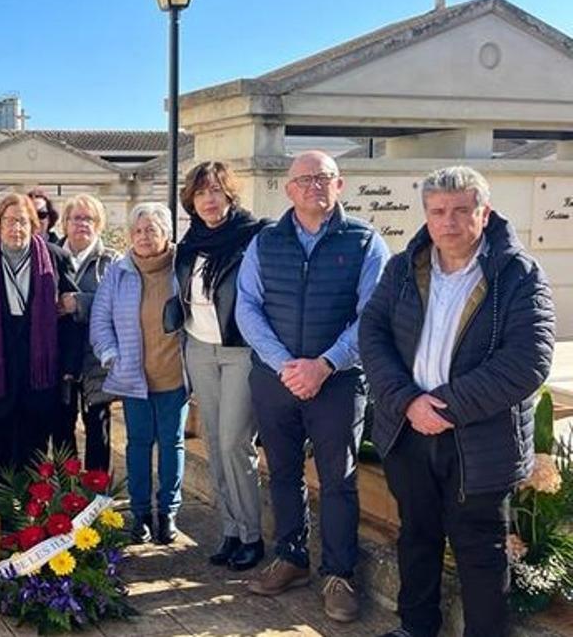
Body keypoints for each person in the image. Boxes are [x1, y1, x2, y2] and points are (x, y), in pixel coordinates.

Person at [360, 167, 555, 637]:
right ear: (426, 215)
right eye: (437, 212)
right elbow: (373, 333)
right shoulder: (405, 267)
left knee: (480, 551)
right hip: (409, 432)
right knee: (417, 536)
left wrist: (441, 408)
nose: (448, 222)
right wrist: (408, 403)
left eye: (461, 210)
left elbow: (529, 359)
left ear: (483, 213)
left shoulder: (518, 275)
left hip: (479, 440)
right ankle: (415, 627)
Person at [235, 150, 390, 622]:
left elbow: (372, 316)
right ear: (289, 189)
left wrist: (324, 365)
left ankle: (339, 575)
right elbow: (247, 307)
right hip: (276, 378)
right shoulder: (266, 241)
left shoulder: (365, 242)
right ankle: (292, 557)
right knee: (281, 471)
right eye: (304, 179)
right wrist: (287, 366)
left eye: (324, 178)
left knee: (338, 480)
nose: (314, 186)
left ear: (339, 185)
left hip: (338, 382)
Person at [175, 161, 271, 572]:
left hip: (239, 350)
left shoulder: (253, 238)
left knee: (235, 442)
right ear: (191, 201)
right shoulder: (190, 245)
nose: (209, 200)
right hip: (200, 348)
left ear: (229, 195)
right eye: (200, 193)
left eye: (216, 191)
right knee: (214, 442)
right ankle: (230, 529)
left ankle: (252, 535)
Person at [0, 193, 80, 493]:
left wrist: (69, 367)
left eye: (23, 222)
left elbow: (72, 317)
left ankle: (31, 520)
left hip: (40, 370)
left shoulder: (55, 258)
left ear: (34, 225)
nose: (16, 229)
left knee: (34, 450)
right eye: (10, 222)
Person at [90, 203, 187, 546]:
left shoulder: (182, 268)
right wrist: (110, 354)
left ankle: (169, 513)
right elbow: (100, 321)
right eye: (138, 231)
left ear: (166, 234)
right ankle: (142, 514)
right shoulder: (118, 272)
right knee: (138, 445)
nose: (144, 237)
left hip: (174, 376)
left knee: (172, 444)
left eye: (152, 230)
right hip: (133, 377)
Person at [54, 194, 119, 471]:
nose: (82, 224)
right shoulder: (50, 256)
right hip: (59, 359)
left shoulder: (112, 261)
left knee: (98, 431)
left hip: (96, 361)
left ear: (99, 224)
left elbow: (119, 304)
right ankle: (65, 498)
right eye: (76, 218)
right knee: (61, 431)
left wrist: (78, 303)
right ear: (65, 223)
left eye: (88, 218)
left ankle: (97, 502)